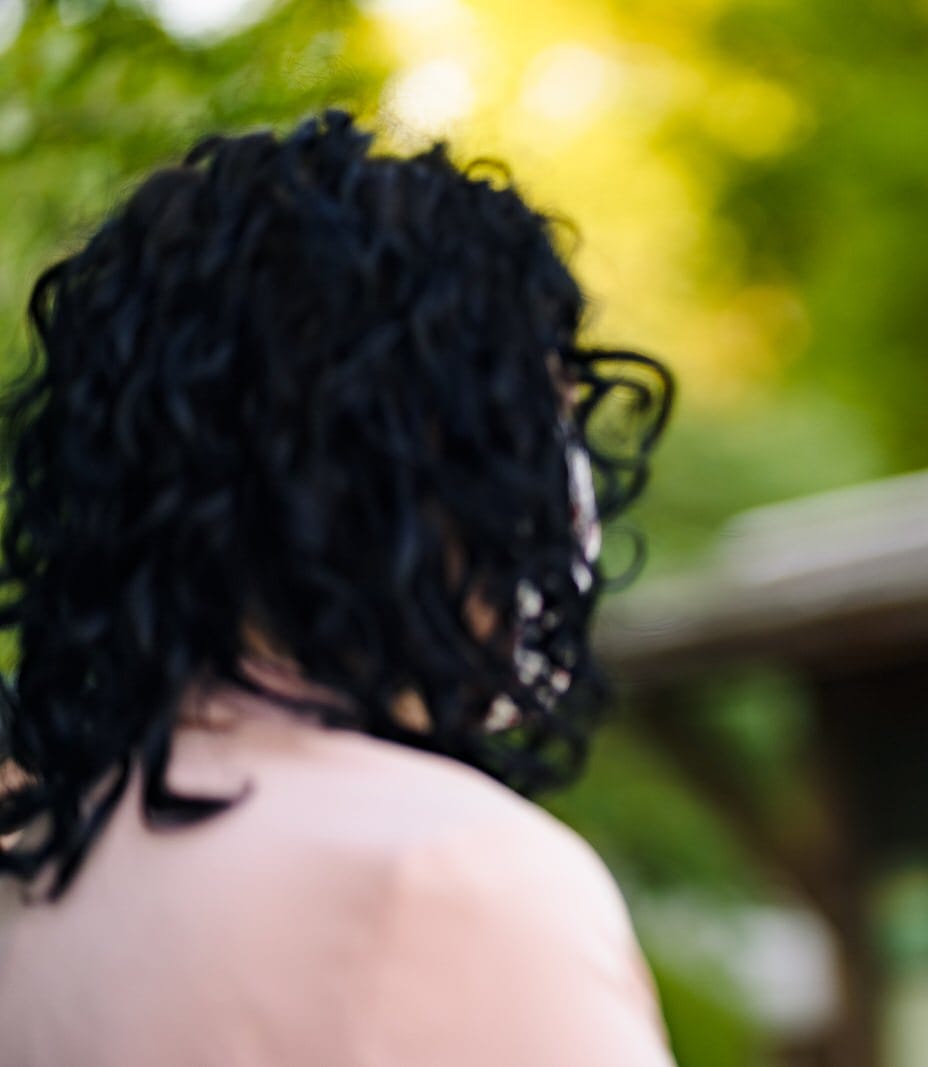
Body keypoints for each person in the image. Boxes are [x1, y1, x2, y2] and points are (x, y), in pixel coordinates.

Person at [0, 111, 676, 1067]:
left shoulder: (41, 874)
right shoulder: (451, 876)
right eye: (529, 426)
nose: (561, 489)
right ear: (380, 458)